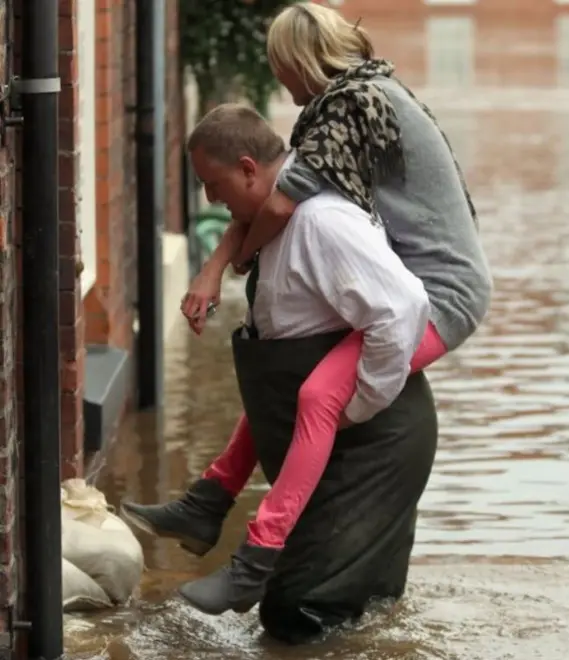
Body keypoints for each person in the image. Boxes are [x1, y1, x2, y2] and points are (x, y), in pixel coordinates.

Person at [172, 4, 490, 550]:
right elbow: (270, 202)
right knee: (292, 364)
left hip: (443, 294)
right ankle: (210, 498)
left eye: (278, 64)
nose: (275, 77)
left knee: (317, 394)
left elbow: (276, 209)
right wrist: (219, 261)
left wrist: (232, 263)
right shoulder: (355, 96)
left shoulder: (353, 106)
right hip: (407, 280)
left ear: (301, 61)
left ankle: (261, 548)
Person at [123, 104, 439, 643]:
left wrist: (356, 401)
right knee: (346, 608)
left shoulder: (322, 222)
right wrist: (214, 266)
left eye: (213, 184)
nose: (209, 200)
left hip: (374, 443)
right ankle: (210, 509)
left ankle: (253, 559)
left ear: (249, 168)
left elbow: (404, 307)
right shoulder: (273, 216)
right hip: (338, 437)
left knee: (298, 612)